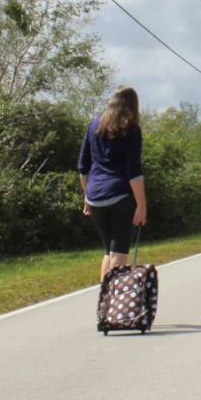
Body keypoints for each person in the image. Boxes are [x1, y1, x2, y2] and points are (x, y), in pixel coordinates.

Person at [78, 86, 147, 282]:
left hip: (95, 196)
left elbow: (83, 167)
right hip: (120, 195)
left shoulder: (94, 126)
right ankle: (115, 304)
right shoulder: (131, 129)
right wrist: (141, 205)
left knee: (108, 250)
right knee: (119, 252)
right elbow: (133, 171)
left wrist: (86, 197)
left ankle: (105, 303)